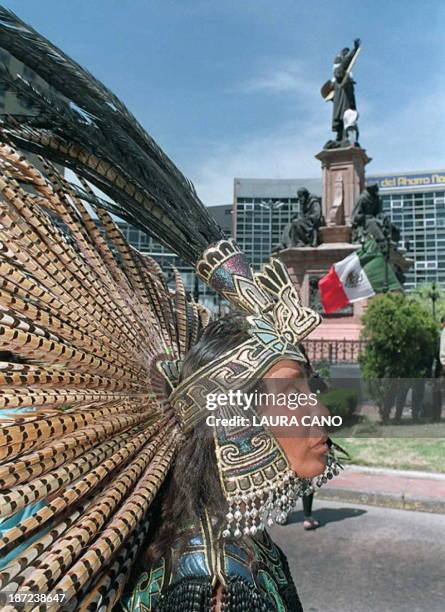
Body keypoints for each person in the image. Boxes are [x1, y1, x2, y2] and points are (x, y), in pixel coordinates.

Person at [0, 8, 347, 610]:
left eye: (311, 384)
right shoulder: (215, 585)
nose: (317, 406)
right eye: (293, 387)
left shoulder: (233, 548)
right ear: (234, 422)